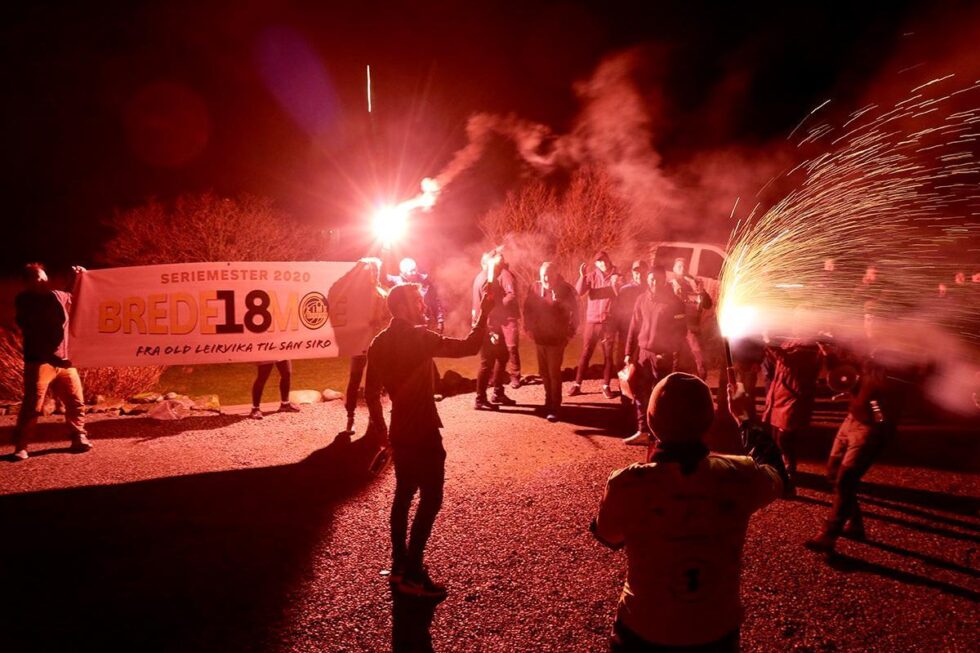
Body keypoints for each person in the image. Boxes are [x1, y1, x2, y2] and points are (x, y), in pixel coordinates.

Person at [592, 373, 784, 652]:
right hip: (715, 629)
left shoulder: (627, 483)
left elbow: (608, 535)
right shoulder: (741, 475)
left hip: (643, 627)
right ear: (707, 420)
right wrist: (744, 418)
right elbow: (777, 472)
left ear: (652, 421)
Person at [365, 282, 495, 597]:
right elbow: (468, 346)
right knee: (432, 498)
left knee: (404, 493)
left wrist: (382, 432)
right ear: (403, 307)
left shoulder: (379, 342)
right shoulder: (420, 338)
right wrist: (485, 312)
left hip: (399, 429)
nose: (423, 305)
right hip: (422, 430)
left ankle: (399, 565)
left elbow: (370, 393)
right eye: (418, 301)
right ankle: (412, 573)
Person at [805, 303, 918, 553]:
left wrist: (878, 423)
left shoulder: (895, 353)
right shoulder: (867, 349)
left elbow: (884, 386)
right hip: (852, 419)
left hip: (872, 425)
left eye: (874, 319)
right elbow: (846, 378)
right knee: (834, 474)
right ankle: (855, 523)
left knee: (845, 480)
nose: (868, 324)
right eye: (866, 318)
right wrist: (830, 355)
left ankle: (829, 534)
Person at [11, 263, 92, 460]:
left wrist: (76, 277)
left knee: (75, 401)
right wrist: (53, 357)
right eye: (38, 278)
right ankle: (21, 446)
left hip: (64, 361)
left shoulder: (56, 295)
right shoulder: (25, 301)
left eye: (45, 277)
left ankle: (78, 436)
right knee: (33, 406)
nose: (43, 281)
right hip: (40, 362)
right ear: (27, 282)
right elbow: (33, 329)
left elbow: (68, 293)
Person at [760, 310, 825, 495]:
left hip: (793, 398)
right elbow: (779, 362)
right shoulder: (794, 340)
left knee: (785, 438)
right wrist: (770, 347)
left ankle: (789, 472)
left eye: (799, 320)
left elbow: (789, 361)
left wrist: (768, 342)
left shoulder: (811, 346)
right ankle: (777, 469)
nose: (795, 324)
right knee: (775, 435)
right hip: (780, 394)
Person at [622, 265, 686, 446]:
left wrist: (667, 351)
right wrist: (628, 352)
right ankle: (643, 431)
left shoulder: (674, 302)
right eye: (650, 279)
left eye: (657, 279)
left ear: (664, 280)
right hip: (643, 353)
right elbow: (634, 328)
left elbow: (681, 331)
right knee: (640, 393)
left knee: (660, 396)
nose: (654, 282)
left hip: (661, 355)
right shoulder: (642, 299)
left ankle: (661, 434)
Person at [523, 262, 578, 422]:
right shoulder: (534, 288)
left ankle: (555, 406)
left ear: (555, 275)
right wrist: (528, 328)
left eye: (548, 275)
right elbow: (527, 309)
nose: (546, 279)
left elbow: (576, 313)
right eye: (543, 276)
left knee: (554, 373)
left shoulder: (565, 290)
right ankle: (548, 400)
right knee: (544, 373)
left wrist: (570, 334)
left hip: (556, 339)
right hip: (540, 338)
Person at [343, 258, 389, 434]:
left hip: (377, 345)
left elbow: (388, 318)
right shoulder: (354, 295)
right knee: (354, 379)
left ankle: (374, 419)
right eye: (369, 271)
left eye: (375, 270)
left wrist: (380, 325)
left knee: (375, 384)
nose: (373, 273)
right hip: (359, 343)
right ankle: (350, 418)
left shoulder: (382, 293)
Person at [570, 251, 622, 399]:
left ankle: (606, 386)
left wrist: (616, 284)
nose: (602, 263)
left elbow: (622, 295)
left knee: (608, 356)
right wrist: (582, 276)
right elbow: (578, 292)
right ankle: (577, 384)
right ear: (596, 264)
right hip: (592, 321)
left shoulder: (617, 276)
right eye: (599, 261)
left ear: (608, 259)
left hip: (608, 322)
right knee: (586, 353)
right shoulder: (591, 276)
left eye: (604, 260)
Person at [470, 250, 517, 410]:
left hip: (493, 325)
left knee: (502, 356)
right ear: (486, 264)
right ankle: (480, 399)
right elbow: (486, 306)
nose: (498, 266)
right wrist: (491, 330)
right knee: (486, 363)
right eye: (495, 263)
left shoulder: (483, 277)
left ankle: (498, 392)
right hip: (488, 327)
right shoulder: (485, 281)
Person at [670, 257, 713, 379]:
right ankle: (672, 388)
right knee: (676, 359)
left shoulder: (694, 283)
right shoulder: (671, 284)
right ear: (674, 269)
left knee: (699, 358)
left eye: (684, 266)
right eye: (679, 266)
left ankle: (701, 386)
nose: (682, 269)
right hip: (677, 327)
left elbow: (708, 304)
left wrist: (701, 292)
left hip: (693, 327)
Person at [388, 257, 445, 333]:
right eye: (410, 271)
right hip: (407, 324)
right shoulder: (396, 281)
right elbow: (382, 276)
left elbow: (435, 302)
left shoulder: (425, 281)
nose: (413, 273)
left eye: (414, 270)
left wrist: (440, 320)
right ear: (403, 273)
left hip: (425, 322)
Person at [612, 260, 649, 369]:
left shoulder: (650, 289)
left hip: (644, 330)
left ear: (646, 273)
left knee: (641, 361)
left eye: (643, 272)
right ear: (633, 273)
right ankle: (622, 384)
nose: (640, 275)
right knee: (623, 359)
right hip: (626, 329)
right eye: (637, 272)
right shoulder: (625, 289)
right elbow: (618, 310)